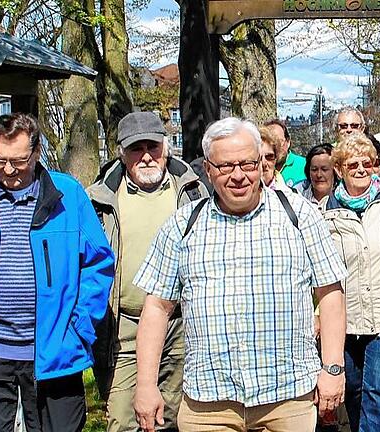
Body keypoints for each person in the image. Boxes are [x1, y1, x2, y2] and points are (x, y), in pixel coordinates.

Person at [132, 117, 348, 432]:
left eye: (247, 164)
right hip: (208, 403)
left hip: (287, 398)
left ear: (261, 163)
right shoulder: (182, 226)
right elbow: (155, 308)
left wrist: (332, 368)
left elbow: (330, 294)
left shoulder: (301, 217)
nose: (238, 176)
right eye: (225, 166)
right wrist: (146, 384)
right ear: (207, 169)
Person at [0, 113, 115, 431]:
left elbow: (98, 265)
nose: (7, 171)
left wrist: (78, 329)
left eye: (18, 161)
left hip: (55, 352)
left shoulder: (68, 196)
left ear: (36, 153)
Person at [88, 111, 209, 432]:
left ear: (166, 147)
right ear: (121, 153)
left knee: (174, 419)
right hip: (123, 325)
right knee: (123, 420)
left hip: (182, 323)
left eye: (152, 147)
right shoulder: (99, 199)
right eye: (135, 148)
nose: (145, 157)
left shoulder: (195, 192)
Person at [320, 133, 380, 432]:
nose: (361, 169)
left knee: (378, 393)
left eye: (367, 163)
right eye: (352, 164)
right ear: (339, 169)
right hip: (344, 322)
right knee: (355, 393)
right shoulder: (325, 211)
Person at [265, 119, 307, 188]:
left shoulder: (304, 166)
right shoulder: (260, 169)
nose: (275, 147)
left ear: (288, 142)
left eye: (279, 142)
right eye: (269, 143)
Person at [299, 143, 336, 209]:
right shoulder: (298, 194)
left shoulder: (344, 198)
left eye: (324, 169)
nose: (319, 175)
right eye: (314, 169)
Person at [259, 125, 293, 192]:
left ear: (276, 158)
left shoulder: (292, 199)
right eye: (258, 158)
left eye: (269, 157)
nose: (263, 163)